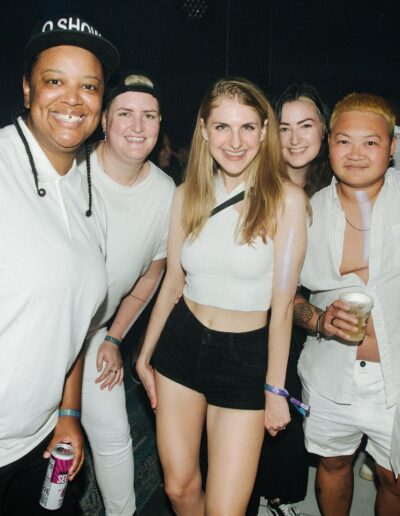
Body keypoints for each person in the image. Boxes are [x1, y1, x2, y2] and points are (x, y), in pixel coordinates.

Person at [136, 77, 307, 516]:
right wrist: (144, 353)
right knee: (179, 489)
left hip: (244, 359)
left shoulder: (286, 201)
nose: (234, 142)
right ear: (203, 129)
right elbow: (172, 281)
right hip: (181, 344)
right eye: (222, 127)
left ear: (264, 131)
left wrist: (275, 388)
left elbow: (282, 307)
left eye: (247, 127)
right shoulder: (186, 195)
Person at [0, 15, 119, 515]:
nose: (73, 99)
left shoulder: (90, 197)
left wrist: (69, 410)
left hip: (39, 441)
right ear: (27, 89)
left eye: (88, 86)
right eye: (55, 81)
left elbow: (74, 320)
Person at [293, 93, 400, 515]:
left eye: (370, 142)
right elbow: (286, 298)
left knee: (394, 478)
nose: (356, 154)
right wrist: (318, 321)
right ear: (328, 143)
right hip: (330, 373)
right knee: (333, 463)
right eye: (344, 141)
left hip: (395, 380)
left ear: (392, 146)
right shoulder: (304, 212)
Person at [78, 71, 175, 516]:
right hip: (34, 328)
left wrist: (114, 337)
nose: (138, 126)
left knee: (114, 434)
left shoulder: (165, 192)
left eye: (149, 116)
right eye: (125, 114)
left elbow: (152, 274)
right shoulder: (72, 171)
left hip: (94, 333)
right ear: (103, 121)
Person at [248, 83, 332, 516]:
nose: (295, 138)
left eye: (306, 125)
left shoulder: (334, 189)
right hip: (253, 314)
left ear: (324, 129)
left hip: (304, 319)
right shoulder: (256, 184)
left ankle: (278, 497)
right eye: (284, 127)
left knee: (290, 411)